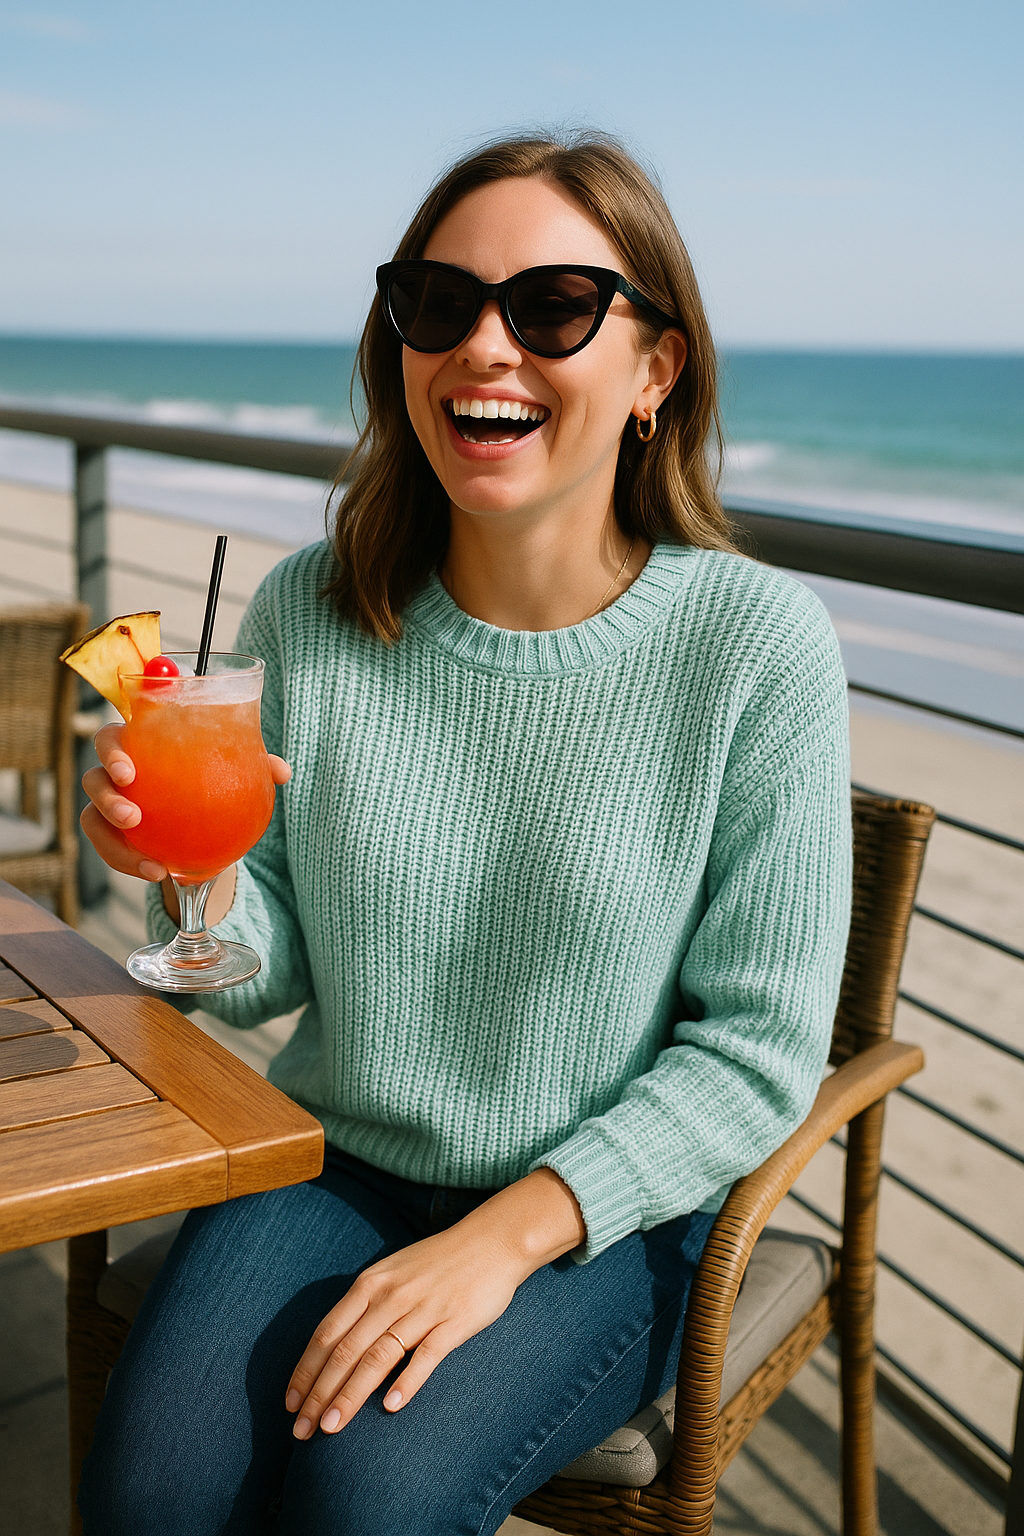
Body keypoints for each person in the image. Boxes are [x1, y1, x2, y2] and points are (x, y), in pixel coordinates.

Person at [77, 131, 852, 1535]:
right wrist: (191, 878)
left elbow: (758, 1054)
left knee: (363, 1499)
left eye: (552, 306)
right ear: (400, 349)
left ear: (655, 371)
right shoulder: (314, 608)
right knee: (149, 1489)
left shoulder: (757, 645)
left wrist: (503, 1240)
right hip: (340, 1156)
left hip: (605, 1212)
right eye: (438, 305)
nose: (483, 347)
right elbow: (263, 974)